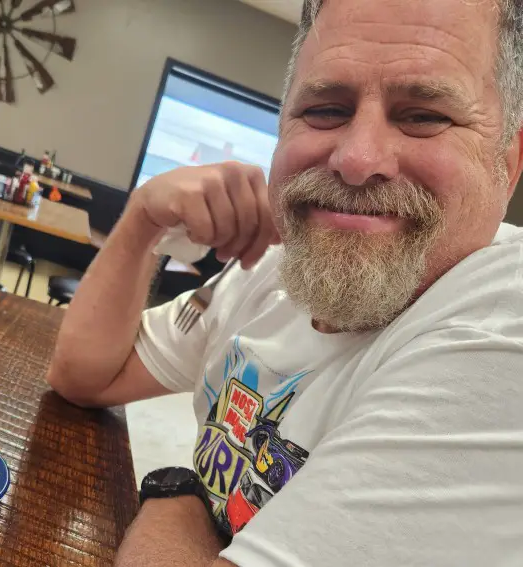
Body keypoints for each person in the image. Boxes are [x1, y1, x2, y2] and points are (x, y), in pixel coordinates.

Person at [48, 0, 523, 564]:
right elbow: (84, 376)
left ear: (508, 162)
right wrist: (144, 222)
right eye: (325, 109)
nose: (355, 157)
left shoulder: (501, 331)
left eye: (423, 116)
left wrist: (177, 496)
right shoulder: (282, 266)